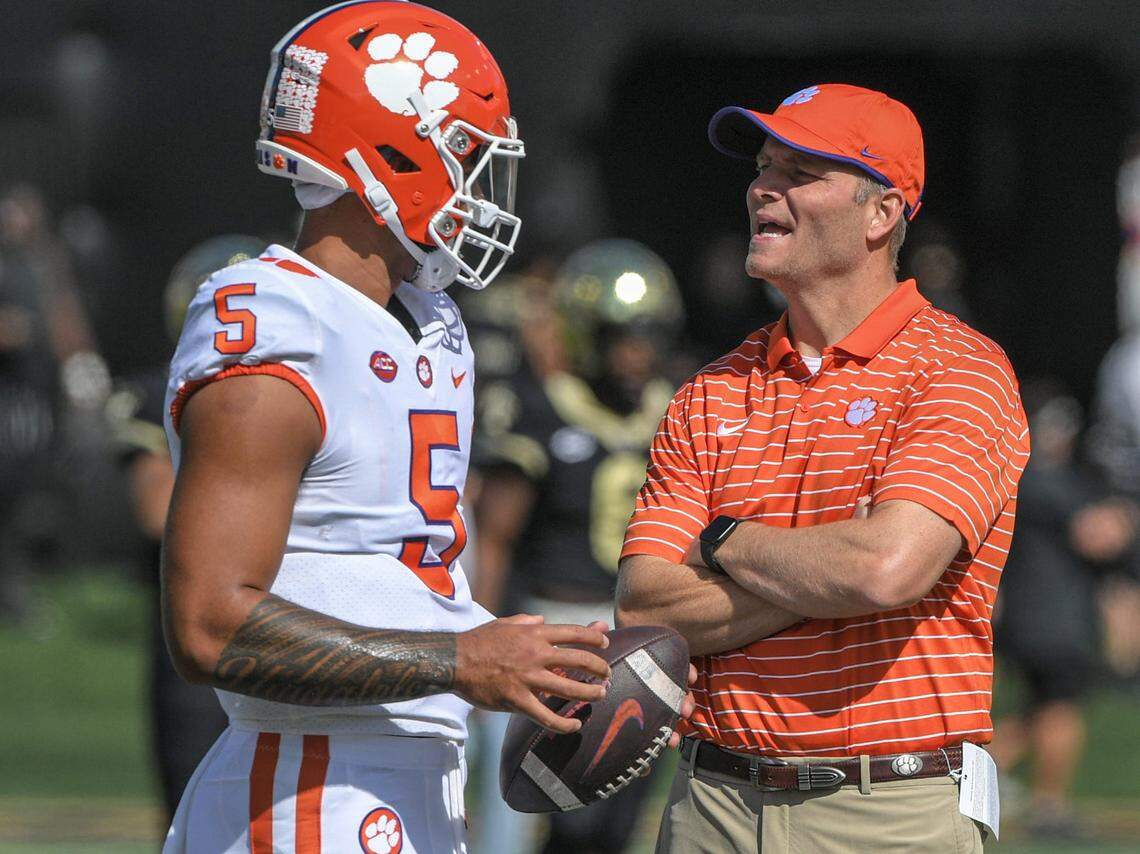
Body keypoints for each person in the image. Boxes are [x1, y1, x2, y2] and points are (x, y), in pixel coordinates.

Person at [159, 5, 614, 852]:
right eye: (465, 154)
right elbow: (207, 624)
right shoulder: (278, 322)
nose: (478, 187)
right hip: (301, 781)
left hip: (401, 778)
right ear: (389, 153)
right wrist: (461, 661)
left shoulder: (429, 319)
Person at [616, 83, 1030, 852]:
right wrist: (832, 572)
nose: (763, 188)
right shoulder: (709, 390)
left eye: (801, 171)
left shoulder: (960, 369)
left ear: (883, 214)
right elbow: (645, 609)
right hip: (712, 806)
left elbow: (885, 570)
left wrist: (724, 539)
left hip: (887, 811)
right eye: (765, 167)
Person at [473, 239, 684, 853]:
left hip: (630, 633)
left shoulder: (675, 409)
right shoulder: (539, 409)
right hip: (547, 627)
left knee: (608, 822)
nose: (636, 353)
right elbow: (494, 537)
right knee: (513, 821)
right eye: (622, 335)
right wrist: (484, 633)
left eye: (648, 336)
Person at [108, 236, 263, 821]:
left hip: (295, 622)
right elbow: (155, 508)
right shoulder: (158, 392)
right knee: (196, 813)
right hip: (202, 626)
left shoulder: (314, 389)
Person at [989, 379, 1135, 839]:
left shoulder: (1012, 476)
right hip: (1053, 617)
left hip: (1033, 615)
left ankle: (965, 781)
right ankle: (1049, 804)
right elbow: (1101, 533)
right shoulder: (1045, 480)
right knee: (1061, 707)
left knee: (1041, 711)